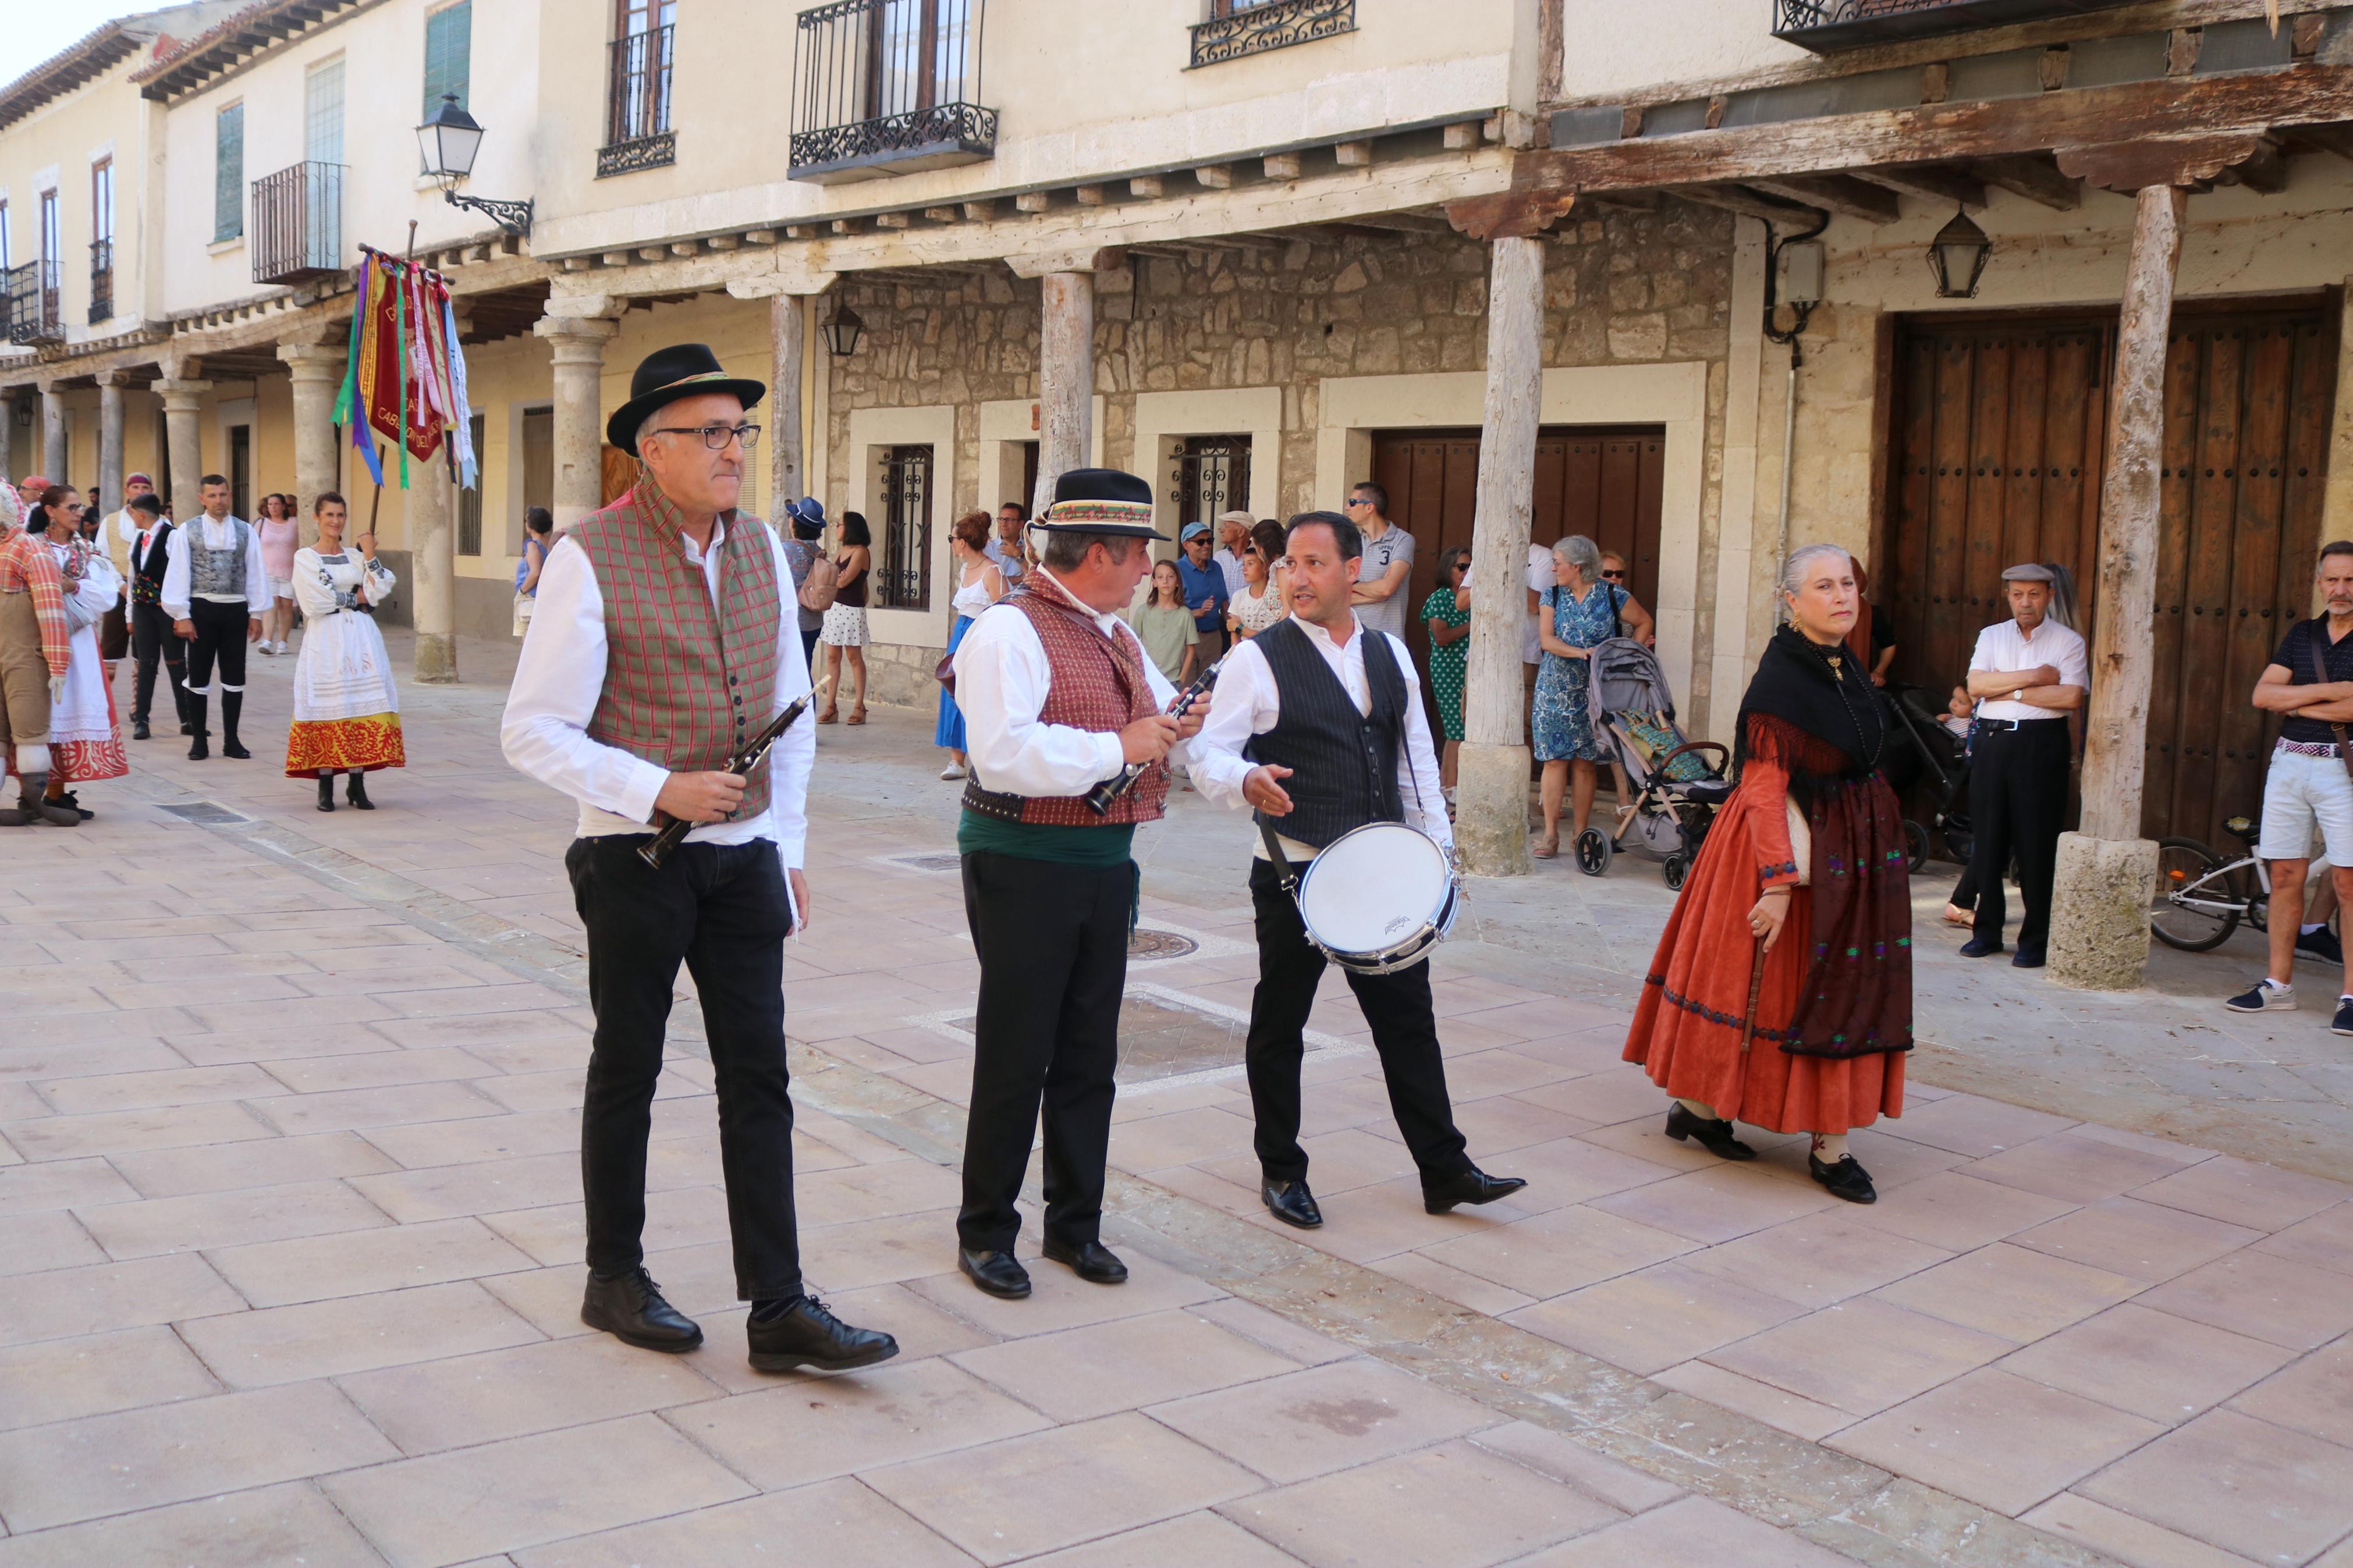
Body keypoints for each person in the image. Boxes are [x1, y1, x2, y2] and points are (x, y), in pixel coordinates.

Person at [500, 342, 896, 1374]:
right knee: (627, 1066)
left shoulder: (764, 548)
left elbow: (789, 711)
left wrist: (788, 842)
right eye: (711, 434)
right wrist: (655, 789)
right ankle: (613, 1277)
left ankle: (778, 1306)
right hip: (632, 857)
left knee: (758, 1077)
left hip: (744, 858)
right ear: (648, 451)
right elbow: (532, 730)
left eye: (739, 433)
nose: (733, 453)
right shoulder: (588, 555)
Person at [1191, 509, 1525, 1232]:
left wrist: (1437, 855)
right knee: (1280, 1022)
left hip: (1380, 870)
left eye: (1314, 563)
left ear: (1353, 573)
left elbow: (1414, 764)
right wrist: (1243, 780)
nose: (1296, 576)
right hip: (1296, 870)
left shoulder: (1388, 653)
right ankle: (1280, 1168)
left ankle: (1444, 1169)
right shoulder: (1257, 657)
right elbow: (1206, 754)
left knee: (1409, 1022)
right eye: (1289, 565)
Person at [948, 467, 1198, 1301]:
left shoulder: (1115, 634)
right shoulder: (1007, 631)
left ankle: (1073, 1225)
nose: (1146, 572)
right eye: (1137, 557)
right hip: (1021, 864)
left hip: (1102, 865)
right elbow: (1002, 754)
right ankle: (985, 1230)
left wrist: (1208, 738)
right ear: (1100, 551)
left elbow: (1163, 722)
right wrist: (1118, 747)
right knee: (1017, 1051)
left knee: (1090, 1051)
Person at [1624, 543, 1910, 1206]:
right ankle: (1817, 1145)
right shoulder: (1783, 680)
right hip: (1784, 852)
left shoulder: (1840, 664)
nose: (1842, 596)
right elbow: (1761, 788)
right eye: (1823, 586)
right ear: (1790, 601)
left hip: (1848, 854)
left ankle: (1699, 1111)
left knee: (1827, 990)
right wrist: (1777, 884)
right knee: (1776, 990)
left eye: (1847, 584)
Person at [2228, 540, 2353, 1033]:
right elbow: (2262, 694)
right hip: (2289, 763)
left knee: (2347, 881)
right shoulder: (2303, 634)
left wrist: (2294, 701)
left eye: (2350, 580)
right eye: (2332, 579)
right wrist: (2331, 692)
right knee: (2284, 876)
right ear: (2319, 582)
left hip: (2339, 769)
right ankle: (2278, 986)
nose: (2340, 589)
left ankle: (2349, 996)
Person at [1960, 563, 2087, 968]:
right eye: (2017, 594)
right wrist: (2032, 678)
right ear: (2008, 596)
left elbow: (2069, 698)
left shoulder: (2068, 641)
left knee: (2036, 842)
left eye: (2033, 594)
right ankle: (1987, 932)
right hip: (1992, 742)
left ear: (2049, 595)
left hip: (2039, 745)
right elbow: (1976, 686)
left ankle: (2035, 940)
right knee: (1989, 837)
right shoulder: (1991, 635)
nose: (2024, 602)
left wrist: (2006, 690)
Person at [1532, 535, 1655, 859]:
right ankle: (1549, 836)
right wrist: (1581, 652)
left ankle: (1580, 834)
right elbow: (1547, 640)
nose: (1554, 567)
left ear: (1578, 566)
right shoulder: (1552, 595)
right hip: (1555, 687)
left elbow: (1644, 622)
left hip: (1596, 690)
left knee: (1586, 763)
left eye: (1558, 562)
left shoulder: (1614, 595)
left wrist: (1626, 658)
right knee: (1555, 760)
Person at [287, 492, 403, 812]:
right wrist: (356, 596)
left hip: (362, 638)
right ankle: (326, 786)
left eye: (341, 515)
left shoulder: (355, 557)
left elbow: (380, 589)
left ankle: (357, 783)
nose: (336, 521)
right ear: (317, 518)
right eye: (329, 515)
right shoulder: (306, 557)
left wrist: (369, 554)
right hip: (327, 638)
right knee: (332, 704)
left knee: (359, 706)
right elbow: (315, 600)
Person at [34, 487, 126, 817]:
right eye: (71, 507)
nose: (79, 513)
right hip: (37, 638)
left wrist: (71, 586)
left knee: (68, 710)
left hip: (79, 643)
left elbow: (107, 599)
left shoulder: (88, 550)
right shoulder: (31, 548)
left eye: (80, 507)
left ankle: (55, 794)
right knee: (35, 713)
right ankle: (28, 794)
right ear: (50, 510)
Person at [161, 474, 265, 762]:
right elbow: (179, 571)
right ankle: (199, 740)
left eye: (223, 495)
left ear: (230, 495)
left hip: (236, 609)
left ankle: (232, 740)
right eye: (213, 496)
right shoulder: (188, 530)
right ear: (202, 499)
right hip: (201, 609)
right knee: (198, 676)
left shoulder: (246, 531)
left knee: (235, 677)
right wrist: (182, 614)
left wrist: (256, 613)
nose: (218, 500)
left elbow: (255, 571)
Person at [0, 496, 80, 826]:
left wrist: (58, 665)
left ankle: (34, 802)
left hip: (25, 657)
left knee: (31, 731)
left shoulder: (31, 550)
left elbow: (51, 612)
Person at [936, 511, 1007, 780]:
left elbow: (1003, 609)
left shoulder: (993, 571)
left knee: (979, 695)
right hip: (961, 633)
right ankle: (956, 759)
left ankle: (982, 756)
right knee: (953, 689)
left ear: (963, 542)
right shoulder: (966, 569)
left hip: (981, 634)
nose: (952, 543)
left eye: (952, 538)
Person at [123, 493, 190, 742]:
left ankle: (187, 719)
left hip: (166, 609)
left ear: (140, 514)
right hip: (143, 609)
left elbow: (183, 573)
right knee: (146, 664)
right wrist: (130, 613)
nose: (132, 519)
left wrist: (180, 610)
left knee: (176, 663)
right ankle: (142, 720)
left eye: (132, 514)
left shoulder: (172, 536)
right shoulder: (139, 538)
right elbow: (133, 579)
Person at [1422, 545, 1471, 793]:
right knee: (1456, 730)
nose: (1466, 572)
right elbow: (1441, 637)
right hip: (1448, 670)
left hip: (1468, 670)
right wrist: (1473, 624)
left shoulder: (1472, 596)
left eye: (1470, 567)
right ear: (1448, 568)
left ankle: (1450, 785)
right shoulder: (1440, 598)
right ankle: (1450, 788)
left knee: (1463, 729)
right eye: (1461, 567)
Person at [817, 511, 870, 725]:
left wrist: (835, 577)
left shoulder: (860, 551)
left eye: (840, 525)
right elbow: (834, 578)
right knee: (832, 657)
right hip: (835, 608)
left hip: (851, 610)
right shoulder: (843, 551)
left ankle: (859, 705)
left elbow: (842, 581)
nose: (837, 528)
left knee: (854, 657)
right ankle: (831, 706)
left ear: (850, 528)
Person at [1343, 480, 1414, 639]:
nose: (1347, 507)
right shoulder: (1350, 542)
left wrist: (1354, 585)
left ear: (1370, 507)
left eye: (1353, 503)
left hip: (1388, 640)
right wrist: (1377, 592)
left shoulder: (1402, 540)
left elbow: (1387, 588)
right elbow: (1340, 595)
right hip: (1353, 640)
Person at [100, 471, 155, 675]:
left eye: (145, 488)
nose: (140, 491)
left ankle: (137, 705)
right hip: (119, 590)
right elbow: (101, 558)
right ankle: (106, 706)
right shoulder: (111, 521)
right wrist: (119, 585)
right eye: (136, 487)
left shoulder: (162, 522)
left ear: (152, 491)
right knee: (109, 653)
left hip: (149, 593)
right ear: (127, 491)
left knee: (144, 656)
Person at [779, 499, 833, 674]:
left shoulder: (784, 550)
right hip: (813, 622)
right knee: (804, 670)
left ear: (794, 523)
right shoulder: (819, 553)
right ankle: (810, 702)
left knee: (789, 676)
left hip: (790, 622)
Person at [1125, 558, 1199, 684]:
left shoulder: (1185, 614)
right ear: (1154, 582)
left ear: (1177, 582)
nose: (1165, 581)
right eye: (1160, 577)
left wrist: (1182, 677)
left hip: (1172, 680)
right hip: (1146, 678)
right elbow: (1133, 644)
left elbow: (1191, 649)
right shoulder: (1143, 611)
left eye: (1170, 577)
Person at [254, 493, 301, 656]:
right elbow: (253, 546)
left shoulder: (295, 524)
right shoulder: (261, 524)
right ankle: (267, 641)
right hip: (268, 571)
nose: (273, 507)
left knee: (286, 607)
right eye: (270, 504)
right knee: (271, 604)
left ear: (283, 506)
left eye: (276, 504)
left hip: (289, 571)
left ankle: (283, 642)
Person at [1177, 521, 1230, 663]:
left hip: (1213, 637)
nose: (1206, 545)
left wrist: (1235, 627)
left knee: (1211, 684)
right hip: (1186, 638)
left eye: (1209, 541)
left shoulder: (1216, 567)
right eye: (1200, 542)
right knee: (1188, 684)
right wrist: (1199, 613)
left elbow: (1224, 603)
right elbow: (1171, 612)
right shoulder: (1176, 570)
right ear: (1186, 545)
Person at [1226, 522, 1287, 641]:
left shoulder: (1281, 567)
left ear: (1263, 546)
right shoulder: (1277, 567)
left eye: (1256, 547)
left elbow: (1286, 611)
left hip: (1275, 637)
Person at [513, 507, 555, 639]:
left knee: (529, 641)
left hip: (531, 597)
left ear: (531, 525)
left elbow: (535, 572)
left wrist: (522, 591)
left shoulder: (532, 545)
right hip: (549, 596)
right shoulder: (553, 543)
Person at [985, 500, 1029, 585]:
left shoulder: (1028, 549)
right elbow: (989, 582)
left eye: (1009, 520)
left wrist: (1019, 555)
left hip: (1022, 597)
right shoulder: (989, 548)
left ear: (1020, 524)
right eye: (1001, 519)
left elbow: (1034, 577)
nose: (1003, 524)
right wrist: (1020, 579)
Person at [1213, 511, 1253, 599]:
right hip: (1222, 611)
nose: (1221, 530)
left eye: (1226, 526)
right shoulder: (1219, 557)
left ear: (1241, 532)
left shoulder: (1258, 556)